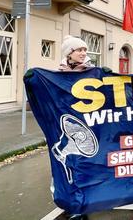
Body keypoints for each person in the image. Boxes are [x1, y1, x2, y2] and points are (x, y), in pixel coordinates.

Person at [58, 35, 93, 220]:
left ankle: (83, 205)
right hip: (66, 125)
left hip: (88, 125)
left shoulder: (92, 71)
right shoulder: (58, 73)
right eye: (79, 50)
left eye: (85, 50)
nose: (83, 53)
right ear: (69, 53)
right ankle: (70, 203)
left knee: (85, 166)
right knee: (66, 167)